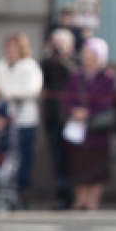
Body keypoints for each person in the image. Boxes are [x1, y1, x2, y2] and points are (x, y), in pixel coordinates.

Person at [0, 33, 43, 206]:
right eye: (8, 48)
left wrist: (5, 92)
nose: (10, 51)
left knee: (23, 160)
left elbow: (32, 90)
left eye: (14, 48)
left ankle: (22, 194)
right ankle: (2, 192)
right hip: (2, 121)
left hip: (24, 120)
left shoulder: (30, 67)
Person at [61, 37, 115, 211]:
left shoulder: (107, 76)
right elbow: (67, 98)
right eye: (85, 54)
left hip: (97, 128)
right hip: (78, 128)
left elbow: (108, 100)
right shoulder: (76, 76)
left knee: (97, 165)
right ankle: (80, 198)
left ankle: (93, 200)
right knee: (78, 164)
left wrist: (89, 113)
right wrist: (74, 111)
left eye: (92, 54)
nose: (87, 58)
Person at [40, 28, 76, 209]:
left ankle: (73, 196)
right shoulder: (48, 63)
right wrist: (49, 56)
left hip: (70, 120)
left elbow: (74, 76)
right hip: (53, 119)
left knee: (74, 160)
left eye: (62, 45)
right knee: (57, 160)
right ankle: (61, 196)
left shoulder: (74, 63)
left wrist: (63, 59)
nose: (58, 49)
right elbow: (41, 78)